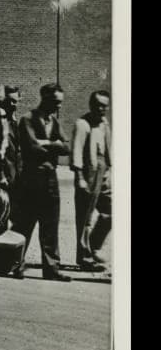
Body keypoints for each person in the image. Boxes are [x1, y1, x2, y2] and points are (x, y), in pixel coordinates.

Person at [12, 83, 71, 281]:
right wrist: (53, 145)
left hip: (50, 180)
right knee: (24, 225)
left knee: (50, 226)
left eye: (60, 103)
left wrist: (48, 143)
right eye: (55, 102)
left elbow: (66, 147)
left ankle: (52, 269)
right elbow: (32, 147)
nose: (58, 107)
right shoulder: (28, 119)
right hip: (31, 181)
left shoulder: (53, 121)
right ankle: (15, 265)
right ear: (44, 98)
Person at [70, 90, 111, 272]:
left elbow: (107, 149)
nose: (101, 109)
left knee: (110, 212)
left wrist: (108, 172)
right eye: (98, 105)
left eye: (104, 106)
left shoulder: (104, 123)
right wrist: (79, 178)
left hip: (103, 171)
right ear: (91, 105)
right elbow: (76, 151)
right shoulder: (82, 124)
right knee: (85, 219)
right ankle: (85, 258)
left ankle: (94, 246)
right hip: (87, 173)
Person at [1, 86, 23, 197]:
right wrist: (2, 176)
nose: (12, 104)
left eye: (15, 101)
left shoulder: (15, 122)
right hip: (4, 177)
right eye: (9, 101)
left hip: (16, 177)